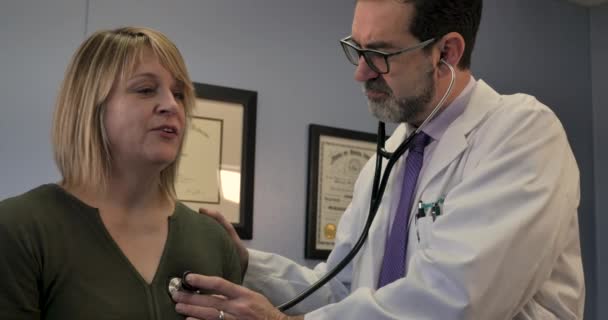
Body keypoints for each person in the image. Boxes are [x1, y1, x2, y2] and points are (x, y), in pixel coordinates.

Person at [172, 0, 586, 319]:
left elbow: (455, 302)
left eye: (381, 54)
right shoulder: (387, 161)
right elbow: (344, 290)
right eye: (358, 49)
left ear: (447, 52)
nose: (361, 73)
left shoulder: (521, 133)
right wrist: (246, 263)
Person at [0, 26, 242, 319]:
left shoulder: (213, 241)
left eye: (178, 94)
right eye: (145, 90)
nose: (171, 106)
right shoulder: (19, 229)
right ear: (91, 106)